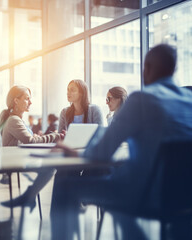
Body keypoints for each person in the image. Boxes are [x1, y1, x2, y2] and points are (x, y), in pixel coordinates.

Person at [50, 44, 192, 239]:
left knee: (65, 184)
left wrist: (75, 153)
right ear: (173, 69)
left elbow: (101, 152)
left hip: (145, 194)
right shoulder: (189, 100)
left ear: (147, 68)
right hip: (185, 198)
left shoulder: (142, 100)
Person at [0, 85, 63, 209]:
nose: (30, 102)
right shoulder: (14, 120)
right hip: (15, 160)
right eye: (27, 98)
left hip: (20, 157)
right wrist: (55, 136)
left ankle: (29, 196)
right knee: (50, 167)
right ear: (16, 101)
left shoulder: (17, 119)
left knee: (51, 164)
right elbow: (30, 140)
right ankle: (29, 196)